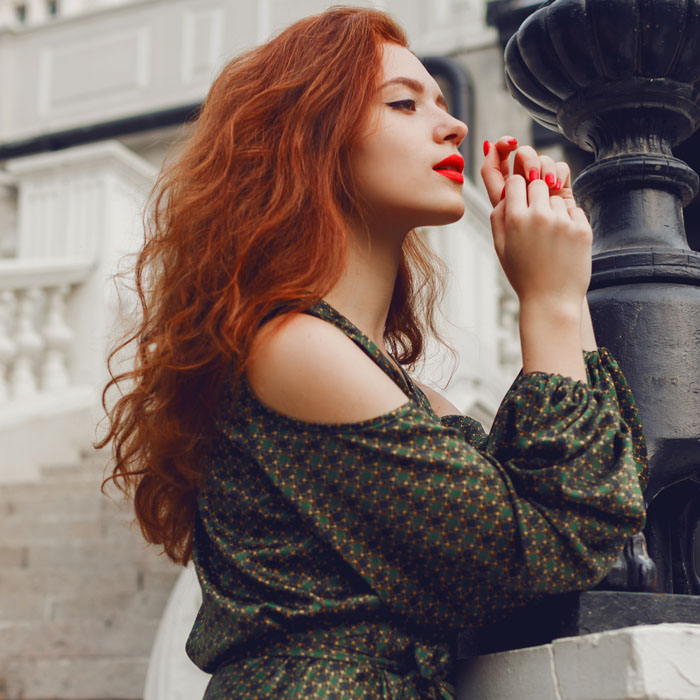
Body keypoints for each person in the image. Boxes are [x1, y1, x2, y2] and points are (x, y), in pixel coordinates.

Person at [98, 6, 648, 699]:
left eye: (443, 102)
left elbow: (599, 500)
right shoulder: (295, 350)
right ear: (311, 141)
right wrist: (549, 301)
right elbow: (545, 549)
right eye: (404, 104)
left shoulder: (403, 392)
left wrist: (567, 285)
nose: (452, 125)